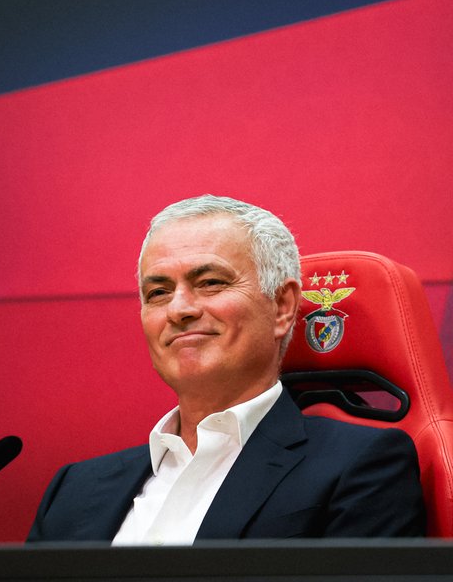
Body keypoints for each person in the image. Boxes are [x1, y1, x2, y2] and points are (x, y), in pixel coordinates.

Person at [27, 195, 425, 543]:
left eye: (211, 282)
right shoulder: (73, 489)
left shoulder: (358, 466)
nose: (179, 310)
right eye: (158, 292)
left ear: (282, 306)